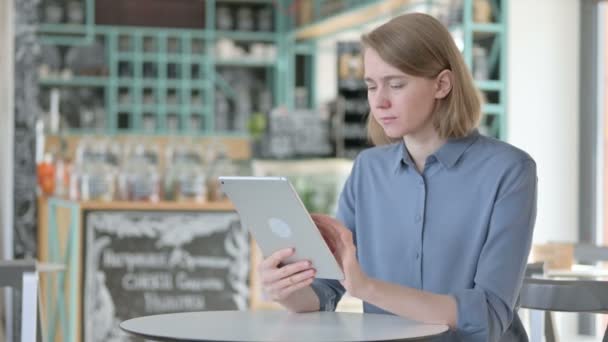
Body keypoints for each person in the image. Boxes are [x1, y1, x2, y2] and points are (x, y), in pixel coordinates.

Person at [257, 12, 536, 341]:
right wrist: (286, 290)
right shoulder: (367, 170)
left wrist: (369, 288)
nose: (380, 101)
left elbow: (488, 314)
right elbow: (328, 289)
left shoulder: (509, 170)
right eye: (371, 86)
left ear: (442, 84)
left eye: (397, 84)